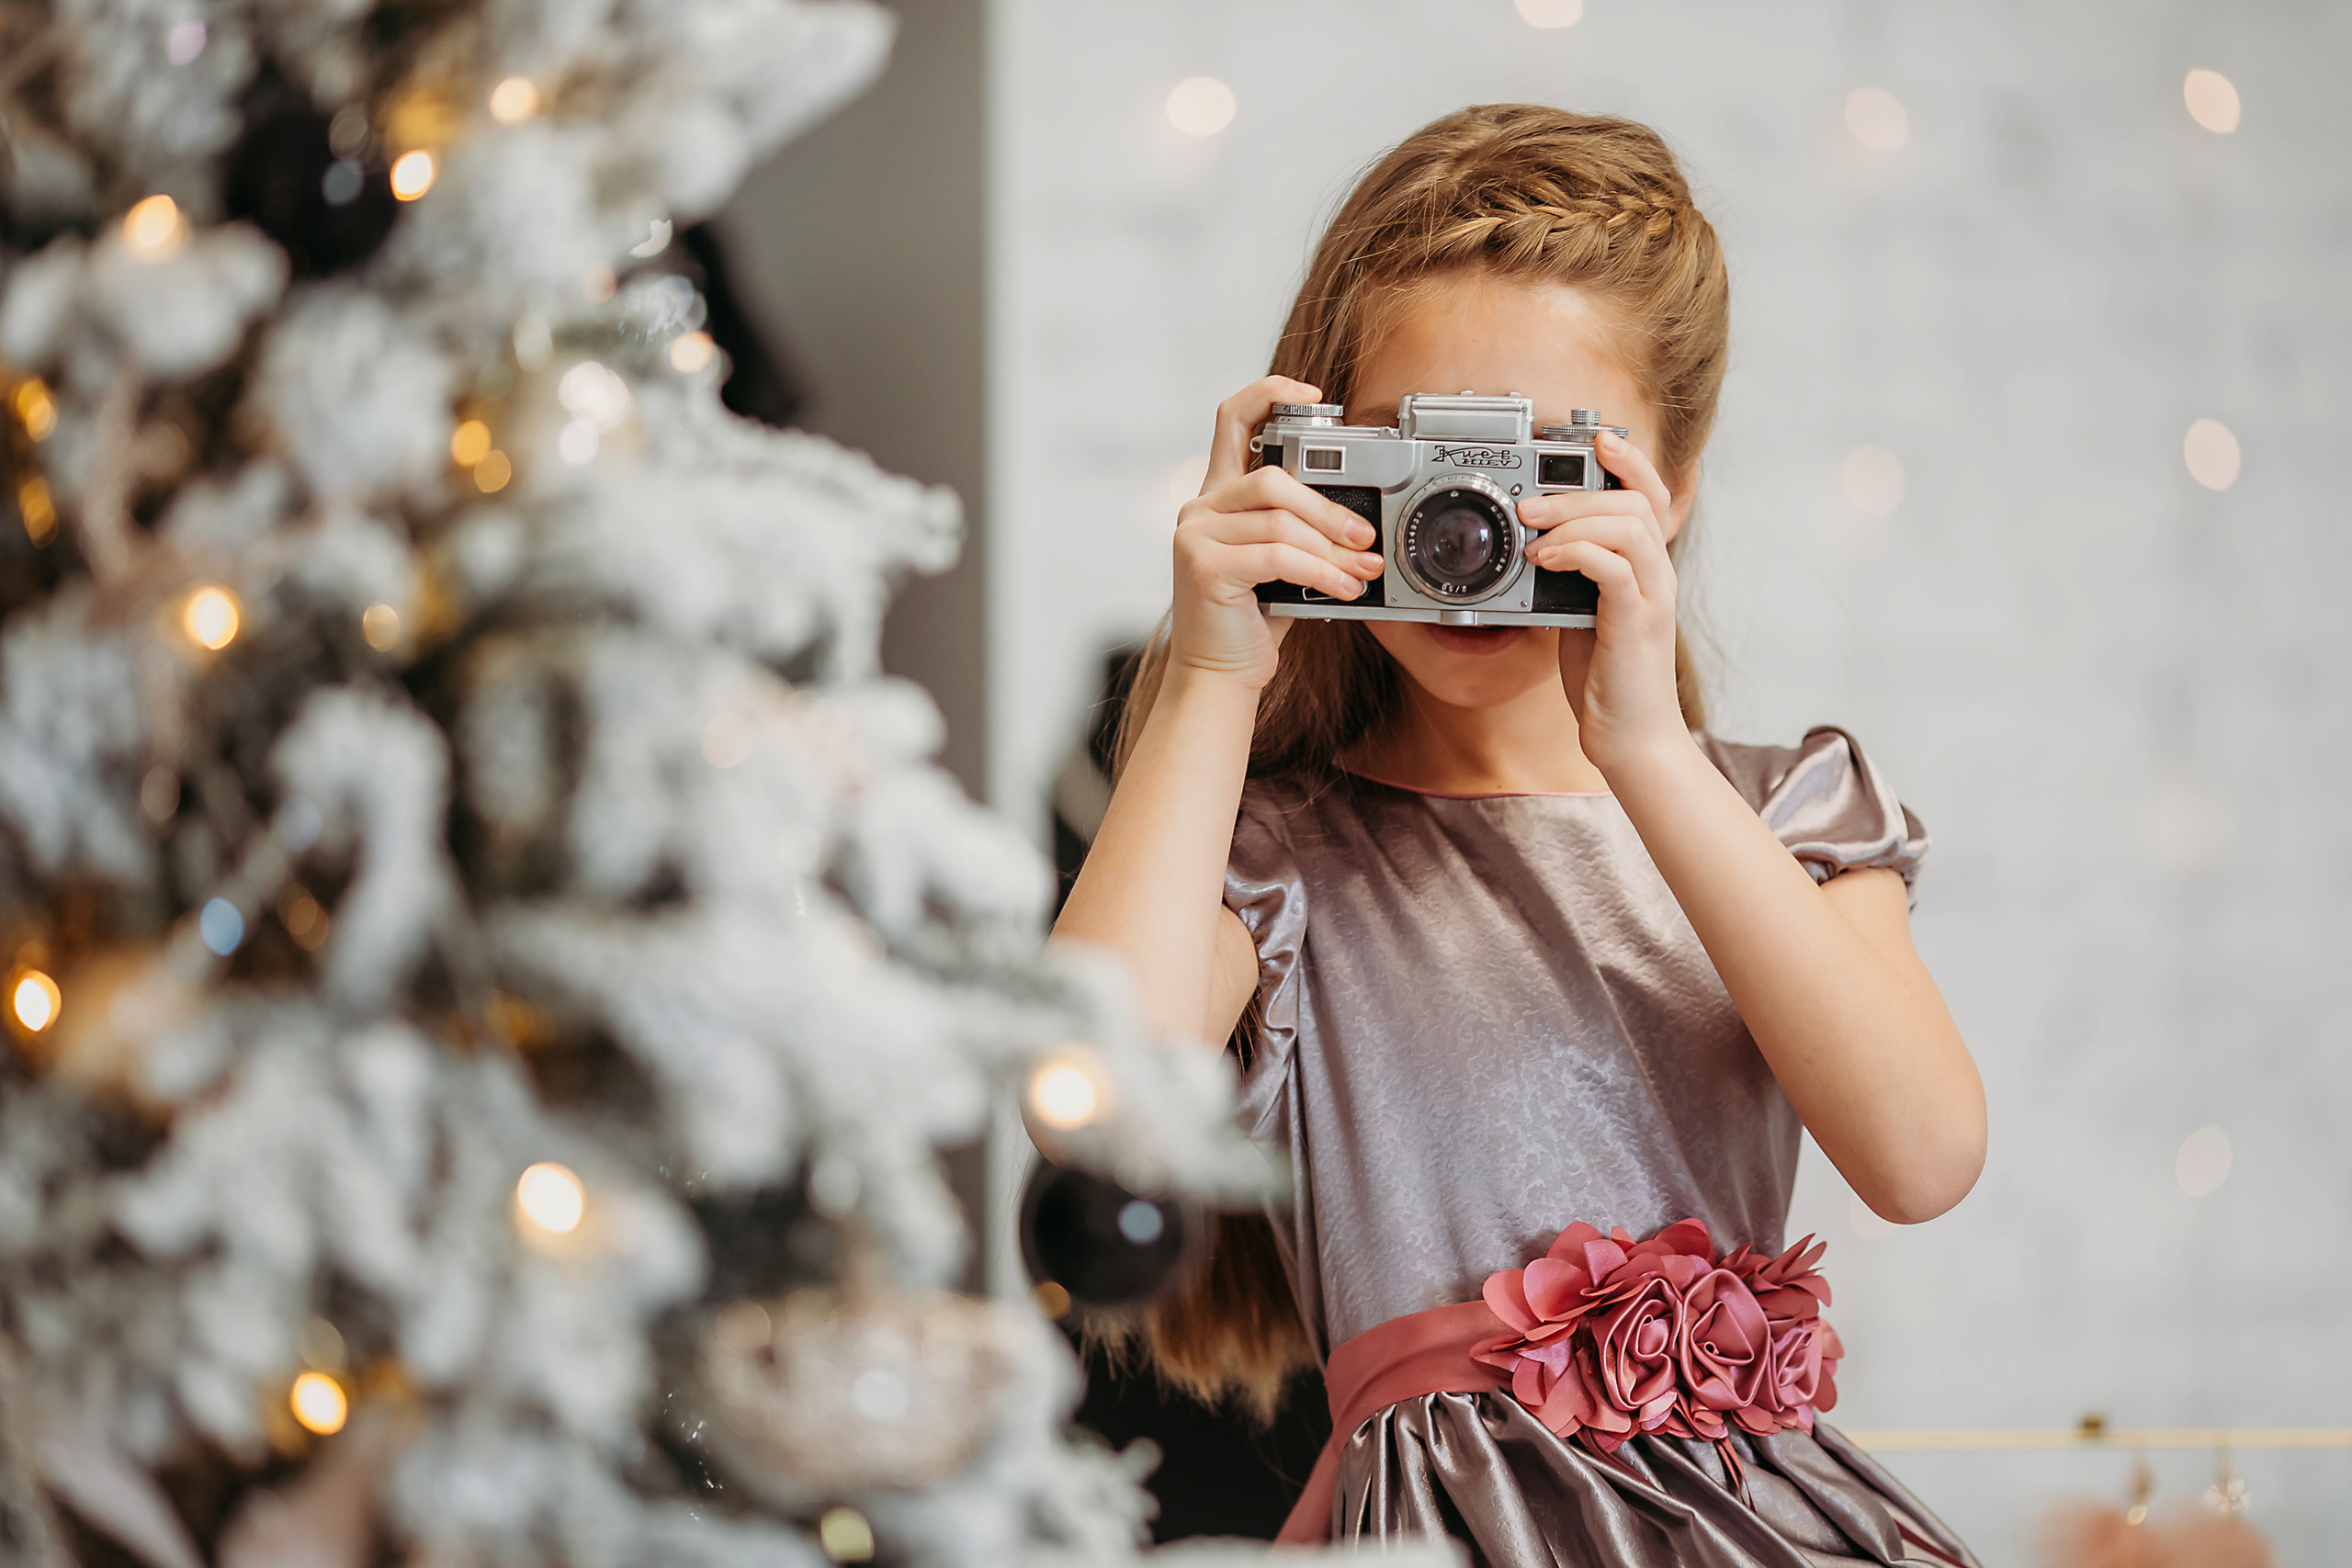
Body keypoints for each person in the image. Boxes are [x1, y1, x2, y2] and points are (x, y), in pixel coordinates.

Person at [1051, 104, 1985, 1565]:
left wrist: (1646, 755)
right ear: (1317, 462)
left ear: (1667, 489)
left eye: (1542, 468)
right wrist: (1212, 673)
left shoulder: (1787, 815)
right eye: (1418, 466)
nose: (1470, 535)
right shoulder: (1275, 863)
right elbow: (1089, 1103)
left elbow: (1921, 1158)